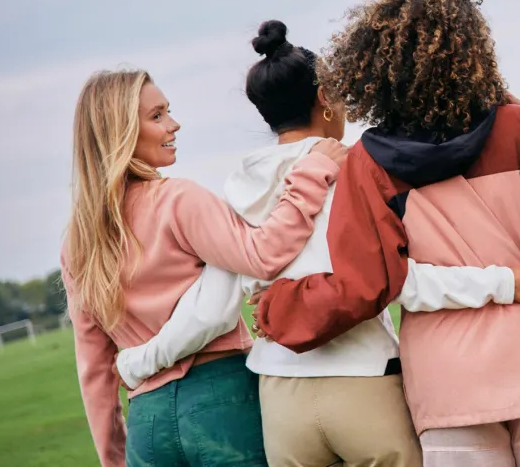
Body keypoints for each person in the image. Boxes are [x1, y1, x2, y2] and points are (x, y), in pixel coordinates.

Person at [114, 20, 520, 467]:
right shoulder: (355, 171)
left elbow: (214, 299)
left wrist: (141, 361)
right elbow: (393, 280)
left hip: (279, 395)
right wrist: (502, 283)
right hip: (363, 379)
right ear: (325, 99)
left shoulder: (233, 191)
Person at [252, 0, 520, 467]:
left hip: (447, 382)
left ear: (376, 65)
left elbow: (376, 282)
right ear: (471, 49)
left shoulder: (368, 163)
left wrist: (282, 307)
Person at [61, 68, 345, 467]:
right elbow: (262, 255)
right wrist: (312, 172)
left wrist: (114, 458)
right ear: (121, 131)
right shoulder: (178, 199)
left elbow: (93, 368)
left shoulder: (77, 245)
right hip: (223, 405)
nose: (174, 125)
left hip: (148, 426)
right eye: (157, 116)